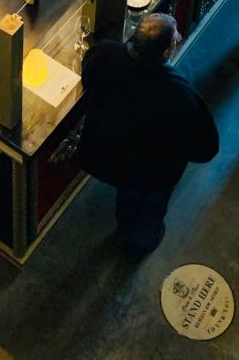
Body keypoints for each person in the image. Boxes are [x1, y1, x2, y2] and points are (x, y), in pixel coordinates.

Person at [79, 13, 219, 259]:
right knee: (148, 211)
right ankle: (139, 244)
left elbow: (88, 77)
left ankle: (123, 229)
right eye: (175, 37)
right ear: (165, 53)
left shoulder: (105, 53)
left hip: (110, 155)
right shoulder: (179, 93)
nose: (179, 37)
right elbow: (206, 147)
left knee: (126, 197)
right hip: (151, 172)